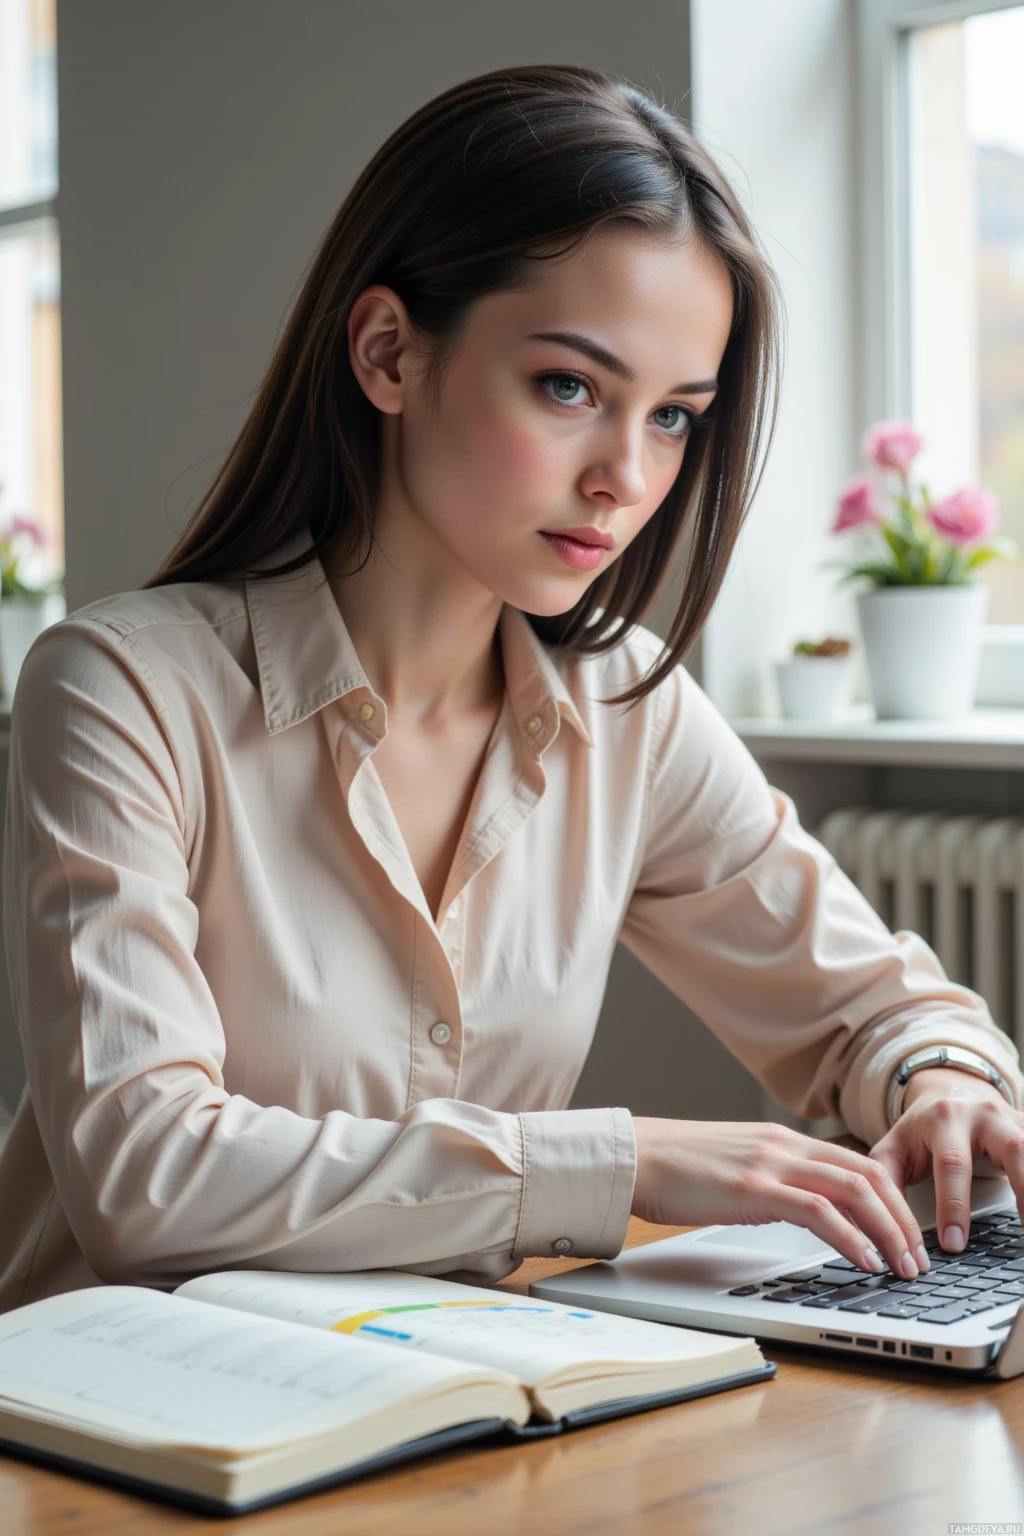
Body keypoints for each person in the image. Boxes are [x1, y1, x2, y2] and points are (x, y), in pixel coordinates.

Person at [1, 65, 1021, 1315]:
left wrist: (940, 1078)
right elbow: (141, 1174)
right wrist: (624, 1162)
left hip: (457, 1412)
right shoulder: (119, 694)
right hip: (107, 1448)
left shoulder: (625, 713)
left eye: (674, 419)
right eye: (570, 387)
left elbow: (876, 1008)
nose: (624, 479)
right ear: (387, 352)